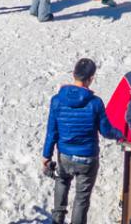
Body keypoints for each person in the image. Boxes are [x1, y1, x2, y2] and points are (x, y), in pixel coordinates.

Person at [42, 58, 123, 224]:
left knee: (62, 181)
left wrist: (46, 156)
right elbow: (106, 131)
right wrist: (120, 134)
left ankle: (57, 219)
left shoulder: (56, 100)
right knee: (81, 200)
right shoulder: (95, 103)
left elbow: (52, 131)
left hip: (65, 155)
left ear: (73, 74)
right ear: (91, 79)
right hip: (87, 158)